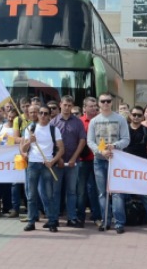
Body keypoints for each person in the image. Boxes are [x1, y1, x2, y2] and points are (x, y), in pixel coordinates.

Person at [85, 93, 130, 234]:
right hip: (99, 160)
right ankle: (105, 221)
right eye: (103, 101)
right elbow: (90, 141)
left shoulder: (120, 119)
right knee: (102, 193)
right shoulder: (94, 121)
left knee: (117, 193)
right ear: (99, 103)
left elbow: (126, 139)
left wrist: (114, 146)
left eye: (108, 101)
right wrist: (101, 151)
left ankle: (119, 222)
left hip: (116, 160)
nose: (105, 103)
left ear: (112, 103)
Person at [21, 105, 64, 232]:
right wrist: (30, 141)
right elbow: (23, 149)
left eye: (46, 113)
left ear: (50, 115)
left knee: (49, 195)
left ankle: (52, 221)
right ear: (37, 115)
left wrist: (53, 161)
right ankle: (31, 221)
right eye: (41, 113)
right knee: (31, 195)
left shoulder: (54, 129)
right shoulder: (30, 129)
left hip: (47, 164)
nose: (43, 116)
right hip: (33, 163)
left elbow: (61, 149)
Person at [49, 95, 87, 228]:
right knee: (55, 192)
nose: (67, 108)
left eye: (69, 106)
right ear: (60, 104)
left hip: (73, 163)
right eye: (65, 105)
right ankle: (54, 219)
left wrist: (73, 158)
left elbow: (82, 141)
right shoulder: (53, 122)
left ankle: (72, 218)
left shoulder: (77, 122)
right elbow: (50, 143)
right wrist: (58, 159)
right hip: (57, 162)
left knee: (71, 192)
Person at [124, 105, 147, 224]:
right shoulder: (123, 129)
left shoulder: (146, 131)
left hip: (141, 166)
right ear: (130, 115)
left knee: (143, 193)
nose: (136, 117)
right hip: (124, 166)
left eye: (139, 115)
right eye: (134, 115)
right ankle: (126, 216)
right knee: (125, 192)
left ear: (143, 116)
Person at [76, 97, 101, 226]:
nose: (93, 108)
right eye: (90, 106)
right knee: (81, 190)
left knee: (95, 190)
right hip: (82, 160)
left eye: (95, 106)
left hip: (98, 160)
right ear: (84, 108)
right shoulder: (79, 122)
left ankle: (97, 216)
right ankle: (80, 217)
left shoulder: (100, 121)